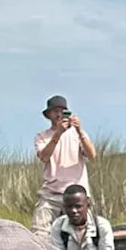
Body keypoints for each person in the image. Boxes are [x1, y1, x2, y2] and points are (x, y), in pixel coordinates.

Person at [32, 94, 97, 237]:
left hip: (77, 193)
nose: (59, 114)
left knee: (86, 236)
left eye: (62, 110)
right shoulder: (41, 136)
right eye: (55, 111)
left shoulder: (77, 134)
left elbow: (92, 155)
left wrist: (79, 130)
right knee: (39, 235)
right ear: (48, 115)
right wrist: (58, 134)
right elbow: (44, 157)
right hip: (51, 194)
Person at [51, 183, 115, 250]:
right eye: (69, 207)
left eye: (78, 206)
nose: (74, 211)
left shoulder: (101, 226)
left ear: (87, 205)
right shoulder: (58, 226)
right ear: (64, 207)